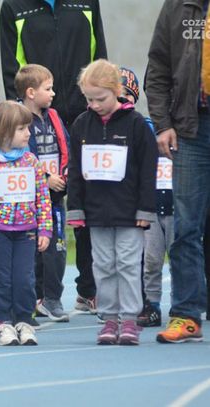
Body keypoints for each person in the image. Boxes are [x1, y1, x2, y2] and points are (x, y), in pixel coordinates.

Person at [0, 0, 107, 314]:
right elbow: (11, 69)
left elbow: (100, 58)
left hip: (84, 116)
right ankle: (36, 293)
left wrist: (98, 107)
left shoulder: (87, 2)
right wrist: (20, 120)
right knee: (39, 212)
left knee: (88, 206)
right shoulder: (14, 6)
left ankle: (89, 289)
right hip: (36, 120)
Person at [67, 59, 158, 345]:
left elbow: (148, 169)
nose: (94, 105)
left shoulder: (136, 124)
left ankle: (129, 319)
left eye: (100, 98)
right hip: (96, 212)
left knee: (128, 264)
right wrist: (75, 208)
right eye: (89, 99)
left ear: (116, 91)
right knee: (103, 265)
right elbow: (75, 170)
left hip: (130, 211)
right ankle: (109, 318)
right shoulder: (82, 125)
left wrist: (146, 208)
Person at [145, 0, 208, 343]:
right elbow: (157, 67)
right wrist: (162, 123)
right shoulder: (176, 6)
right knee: (185, 228)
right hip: (190, 129)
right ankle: (186, 315)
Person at [0, 101, 52, 346]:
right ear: (3, 131)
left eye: (28, 128)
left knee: (25, 279)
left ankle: (24, 321)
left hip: (26, 231)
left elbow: (43, 197)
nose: (28, 133)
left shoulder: (31, 161)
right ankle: (3, 323)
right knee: (1, 279)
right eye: (21, 129)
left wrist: (45, 228)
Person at [15, 64, 70, 323]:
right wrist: (45, 179)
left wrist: (63, 177)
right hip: (28, 199)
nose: (53, 93)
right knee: (31, 250)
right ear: (30, 92)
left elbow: (67, 147)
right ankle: (32, 298)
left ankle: (52, 298)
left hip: (55, 199)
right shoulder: (17, 118)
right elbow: (19, 154)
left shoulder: (54, 117)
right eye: (48, 89)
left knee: (56, 249)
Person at [118, 67, 170, 328]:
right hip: (149, 205)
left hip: (174, 203)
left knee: (182, 256)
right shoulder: (126, 129)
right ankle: (151, 305)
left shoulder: (147, 126)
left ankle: (186, 305)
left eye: (127, 95)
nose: (122, 100)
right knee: (150, 260)